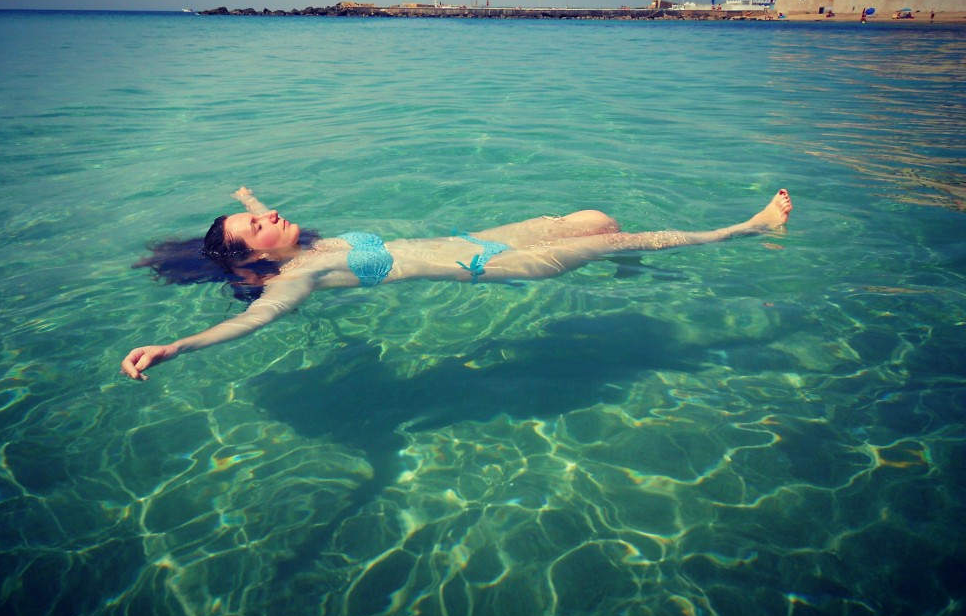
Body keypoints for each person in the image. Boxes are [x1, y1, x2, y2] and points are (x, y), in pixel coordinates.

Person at [120, 187, 793, 380]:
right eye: (256, 223)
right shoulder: (304, 272)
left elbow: (255, 227)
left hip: (482, 236)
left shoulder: (307, 241)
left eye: (260, 210)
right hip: (490, 265)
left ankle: (623, 270)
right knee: (626, 234)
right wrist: (178, 347)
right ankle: (750, 229)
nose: (269, 214)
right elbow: (255, 318)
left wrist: (244, 201)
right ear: (252, 261)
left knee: (596, 217)